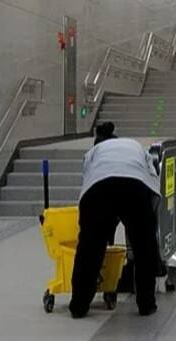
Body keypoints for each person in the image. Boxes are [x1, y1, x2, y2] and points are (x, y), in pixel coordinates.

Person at [69, 122, 161, 318]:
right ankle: (146, 304)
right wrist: (149, 218)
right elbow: (152, 177)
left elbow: (88, 181)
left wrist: (95, 228)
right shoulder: (135, 146)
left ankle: (78, 306)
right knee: (144, 248)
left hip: (99, 188)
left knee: (89, 249)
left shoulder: (94, 152)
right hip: (135, 186)